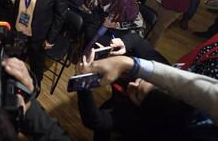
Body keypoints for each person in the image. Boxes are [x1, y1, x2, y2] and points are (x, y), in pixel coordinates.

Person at [75, 53, 218, 124]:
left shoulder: (131, 116)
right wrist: (125, 61)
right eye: (141, 82)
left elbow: (93, 119)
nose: (132, 85)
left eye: (137, 94)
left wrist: (83, 83)